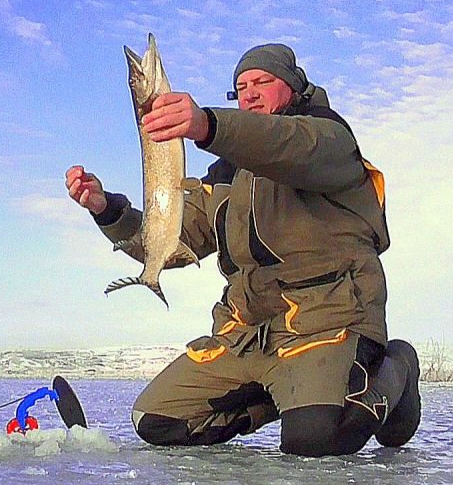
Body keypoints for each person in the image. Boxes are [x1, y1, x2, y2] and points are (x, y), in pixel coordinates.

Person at [65, 43, 420, 457]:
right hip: (249, 336)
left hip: (327, 326)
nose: (249, 92)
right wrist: (105, 208)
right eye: (240, 86)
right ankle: (289, 391)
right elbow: (172, 240)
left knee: (315, 440)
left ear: (292, 86)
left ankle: (397, 368)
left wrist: (207, 126)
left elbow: (283, 145)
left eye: (262, 82)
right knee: (156, 420)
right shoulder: (226, 176)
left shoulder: (327, 141)